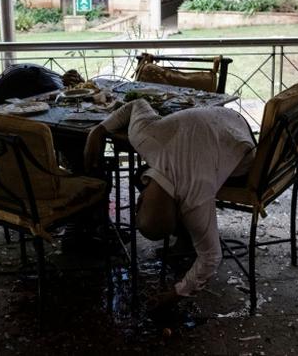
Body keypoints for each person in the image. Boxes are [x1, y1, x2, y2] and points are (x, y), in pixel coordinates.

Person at [84, 99, 257, 308]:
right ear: (141, 199)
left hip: (241, 141)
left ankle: (186, 235)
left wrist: (175, 295)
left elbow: (212, 256)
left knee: (177, 190)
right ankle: (186, 237)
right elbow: (135, 105)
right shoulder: (145, 137)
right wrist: (98, 130)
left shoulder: (197, 196)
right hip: (221, 117)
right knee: (150, 178)